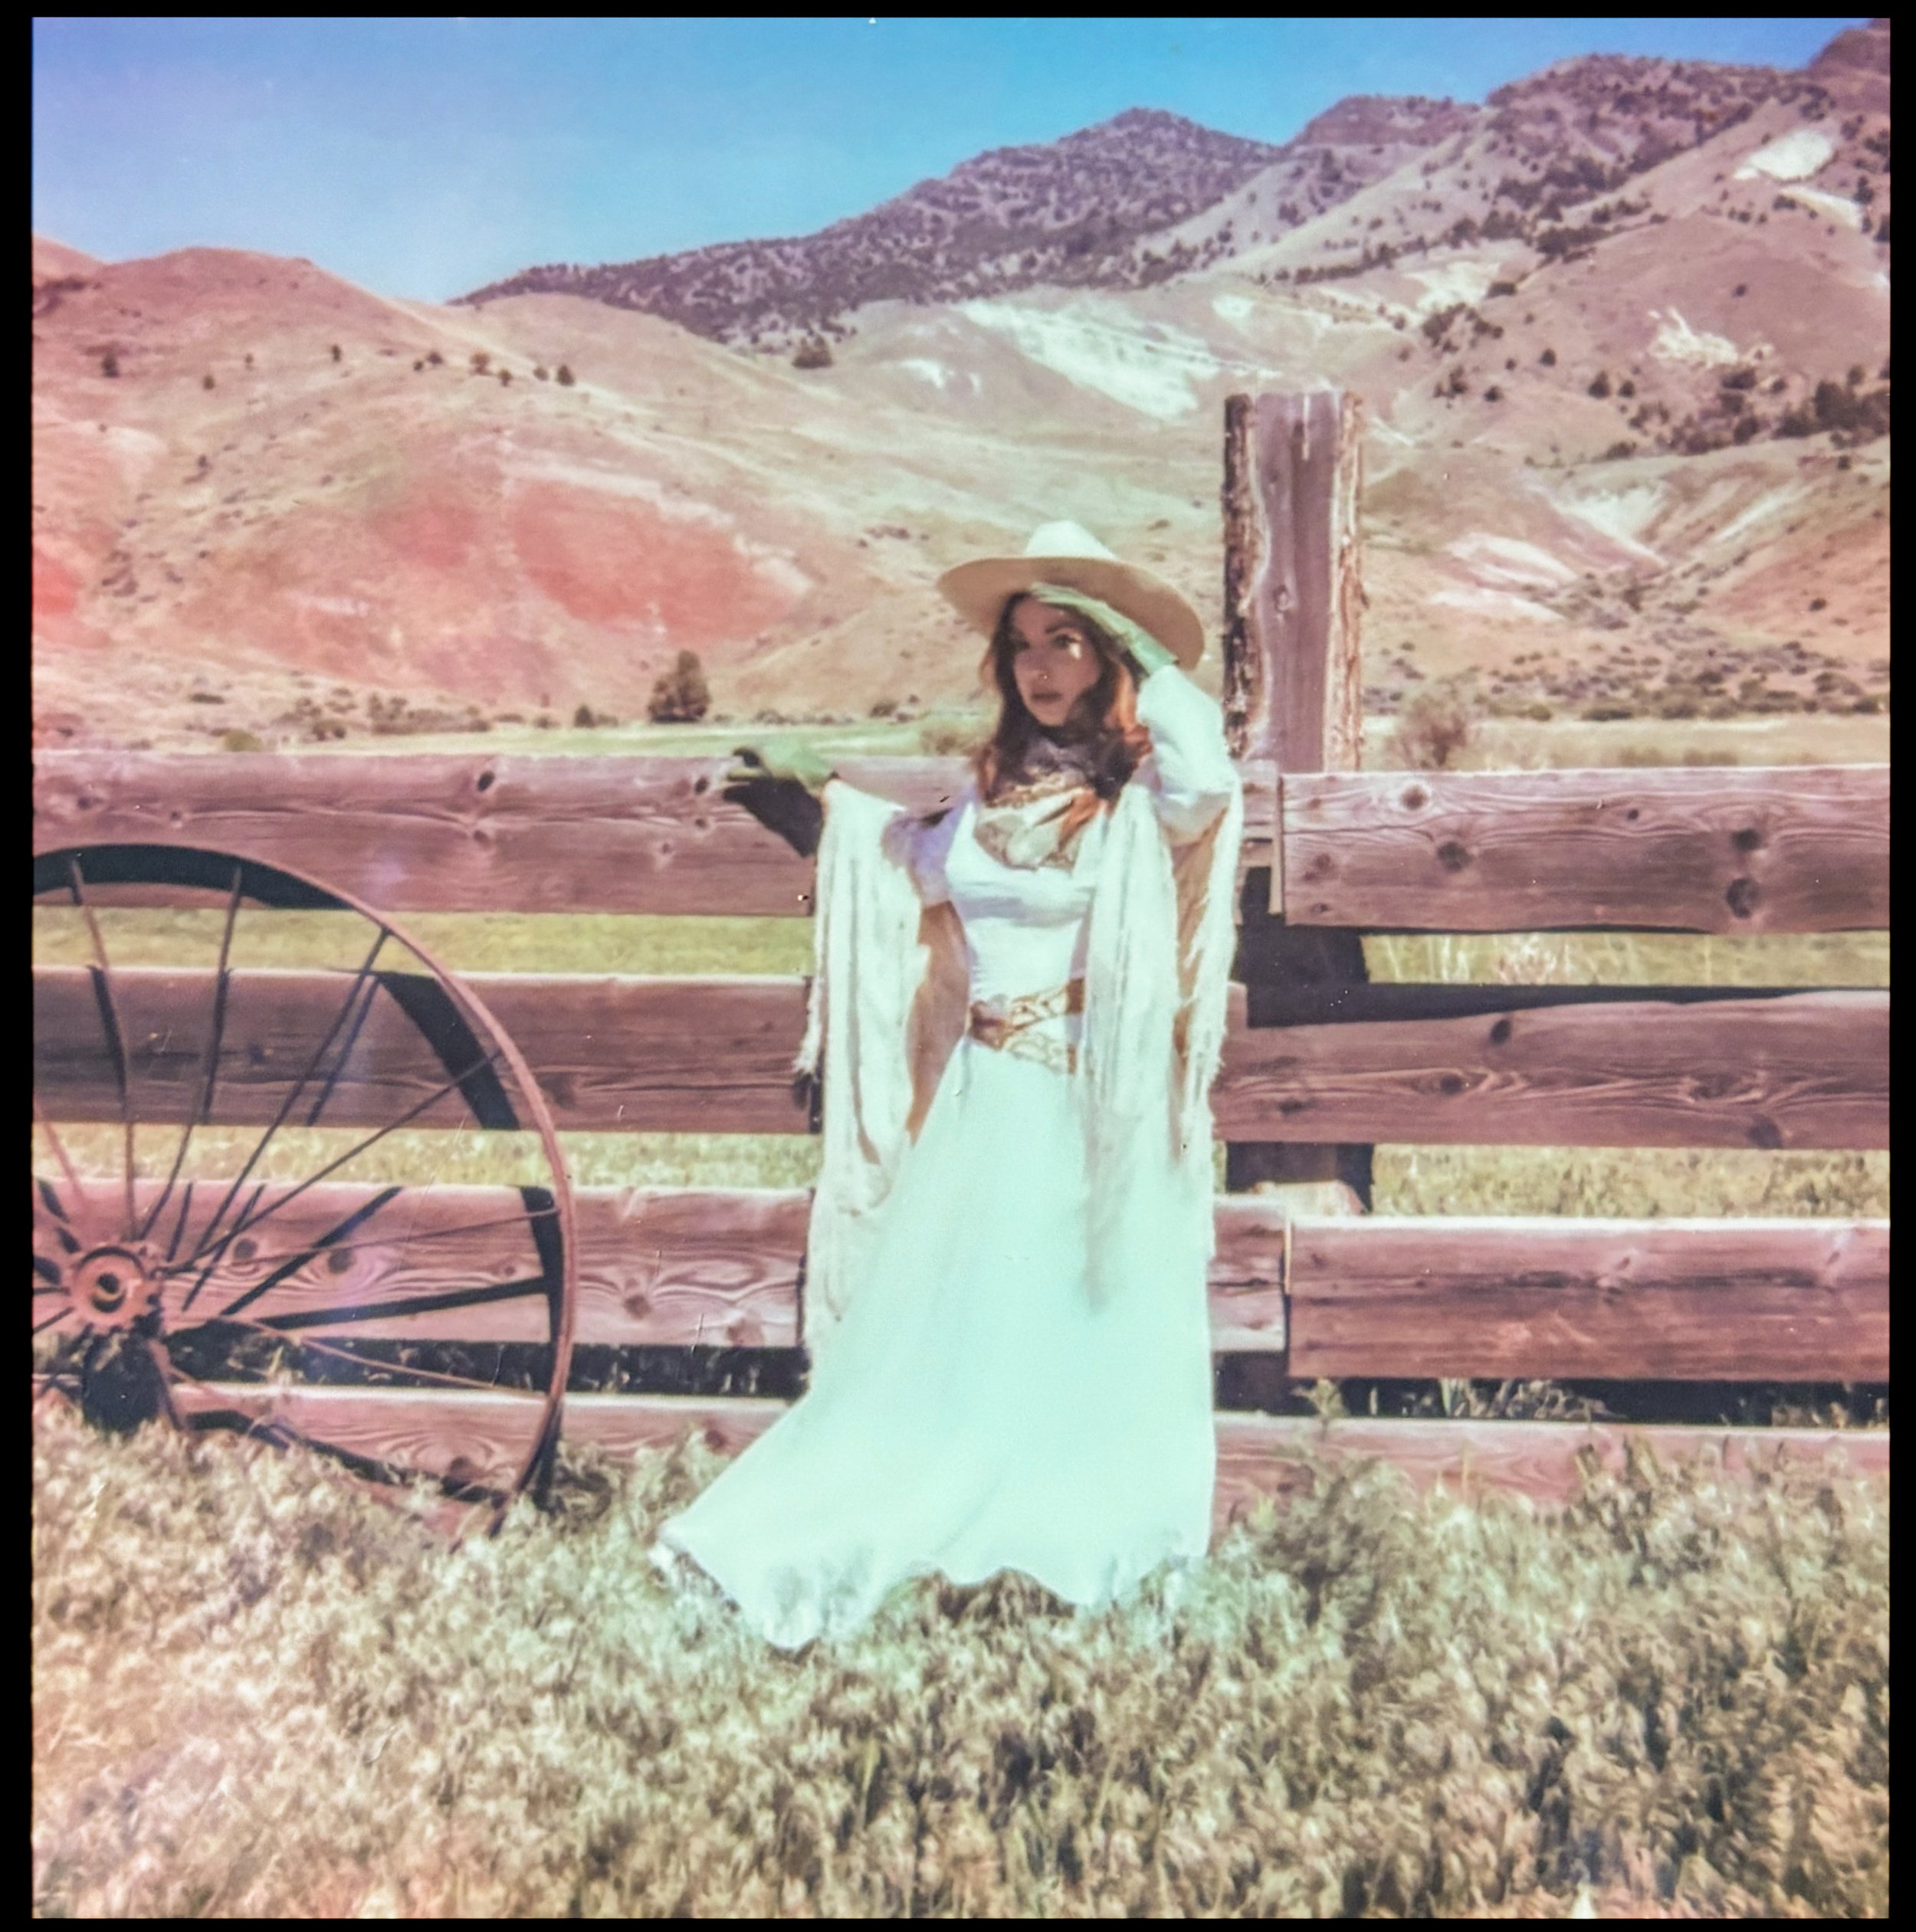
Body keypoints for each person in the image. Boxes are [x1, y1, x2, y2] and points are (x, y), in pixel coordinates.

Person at [649, 521, 1244, 1650]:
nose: (1042, 667)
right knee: (964, 1342)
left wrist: (1149, 656)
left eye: (1069, 642)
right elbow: (895, 859)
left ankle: (1066, 1558)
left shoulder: (1141, 805)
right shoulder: (983, 806)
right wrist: (817, 802)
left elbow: (1213, 774)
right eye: (1024, 645)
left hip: (1090, 1110)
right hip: (983, 1104)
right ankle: (944, 1544)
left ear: (1110, 660)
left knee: (1080, 1327)